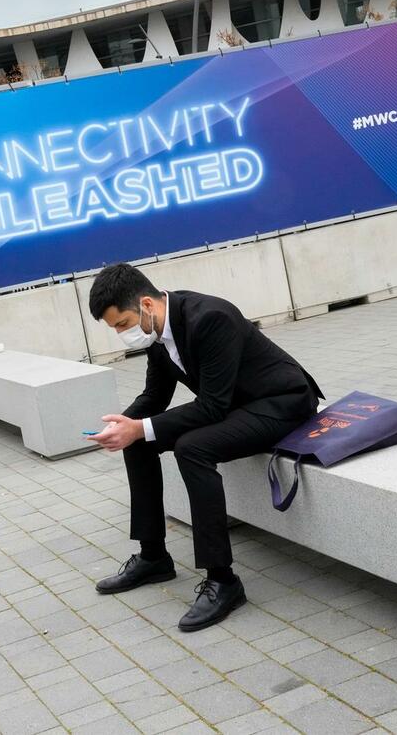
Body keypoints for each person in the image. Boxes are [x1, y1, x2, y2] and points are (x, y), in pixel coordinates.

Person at [85, 264, 323, 631]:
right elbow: (155, 396)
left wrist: (139, 427)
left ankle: (224, 581)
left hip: (281, 403)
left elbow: (212, 407)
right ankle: (153, 557)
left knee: (192, 447)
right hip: (236, 405)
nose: (121, 334)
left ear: (146, 304)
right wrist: (123, 425)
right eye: (115, 328)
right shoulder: (156, 333)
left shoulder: (209, 317)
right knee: (139, 440)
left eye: (122, 324)